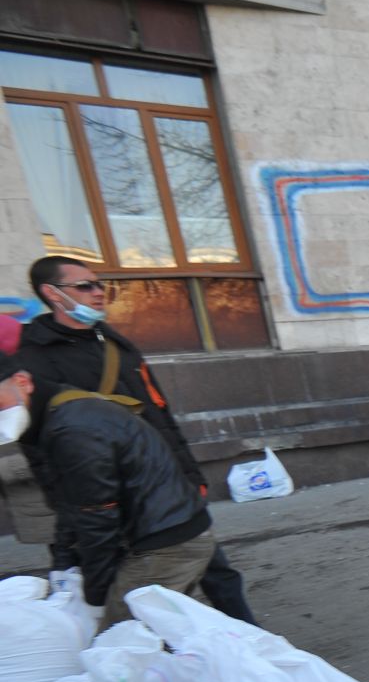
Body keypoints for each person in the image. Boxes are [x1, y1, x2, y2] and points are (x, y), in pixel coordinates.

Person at [13, 257, 256, 623]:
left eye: (100, 285)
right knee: (128, 583)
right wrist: (68, 510)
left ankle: (249, 637)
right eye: (85, 286)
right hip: (104, 489)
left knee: (214, 568)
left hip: (162, 479)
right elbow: (42, 446)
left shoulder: (112, 341)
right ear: (52, 293)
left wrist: (189, 474)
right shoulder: (33, 357)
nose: (98, 293)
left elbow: (159, 411)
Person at [5, 351, 217, 627]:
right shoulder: (57, 414)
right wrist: (64, 563)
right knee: (171, 639)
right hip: (173, 532)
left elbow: (96, 519)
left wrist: (96, 597)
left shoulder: (72, 430)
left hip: (167, 544)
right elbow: (70, 502)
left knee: (119, 645)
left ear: (23, 382)